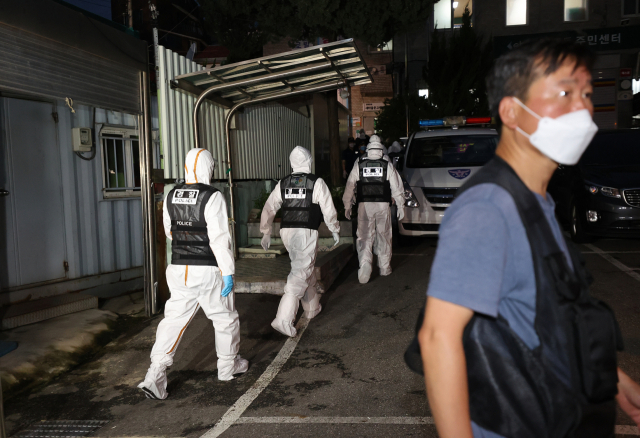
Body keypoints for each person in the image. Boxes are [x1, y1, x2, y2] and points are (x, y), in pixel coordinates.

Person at [417, 39, 640, 437]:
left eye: (587, 94)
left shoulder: (537, 201)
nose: (584, 108)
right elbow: (437, 337)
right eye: (565, 92)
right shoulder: (488, 208)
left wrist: (614, 378)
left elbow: (553, 312)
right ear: (511, 111)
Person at [138, 148, 248, 400]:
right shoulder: (213, 196)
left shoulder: (170, 194)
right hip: (208, 268)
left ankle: (154, 375)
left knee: (173, 321)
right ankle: (228, 367)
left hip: (178, 269)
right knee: (224, 318)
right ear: (209, 168)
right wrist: (228, 271)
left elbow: (169, 231)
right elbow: (220, 239)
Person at [260, 146, 340, 337]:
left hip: (287, 231)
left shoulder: (284, 183)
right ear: (309, 161)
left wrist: (265, 231)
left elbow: (270, 207)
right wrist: (335, 229)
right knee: (300, 272)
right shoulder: (315, 182)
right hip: (305, 231)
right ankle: (283, 319)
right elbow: (328, 208)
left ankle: (312, 307)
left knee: (305, 267)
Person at [343, 140, 404, 284]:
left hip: (364, 205)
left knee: (364, 236)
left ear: (368, 148)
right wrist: (400, 205)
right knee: (384, 235)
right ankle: (384, 267)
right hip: (383, 205)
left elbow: (350, 186)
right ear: (381, 149)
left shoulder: (359, 164)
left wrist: (347, 205)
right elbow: (397, 187)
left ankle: (365, 263)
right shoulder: (386, 164)